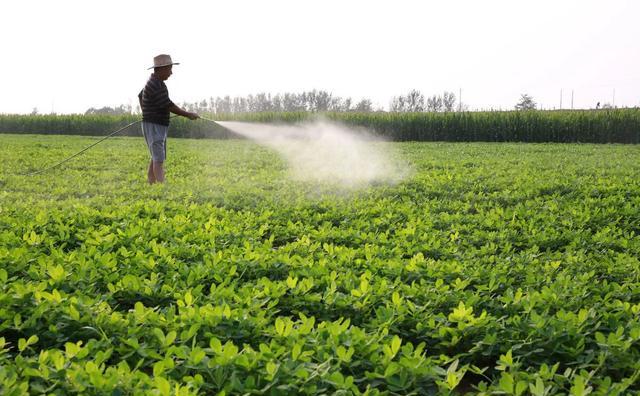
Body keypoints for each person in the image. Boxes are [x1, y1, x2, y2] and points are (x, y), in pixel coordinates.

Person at [138, 54, 199, 184]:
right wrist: (187, 114)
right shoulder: (155, 84)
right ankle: (162, 187)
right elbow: (168, 104)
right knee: (158, 159)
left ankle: (151, 183)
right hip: (154, 125)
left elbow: (140, 95)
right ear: (161, 69)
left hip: (156, 124)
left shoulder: (155, 82)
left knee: (156, 156)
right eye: (169, 69)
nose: (171, 73)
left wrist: (147, 113)